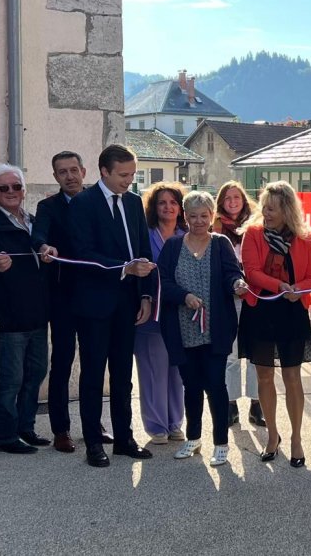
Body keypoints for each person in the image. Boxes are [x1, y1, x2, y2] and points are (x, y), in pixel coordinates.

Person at [69, 144, 157, 467]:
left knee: (123, 374)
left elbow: (144, 251)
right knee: (93, 374)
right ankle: (93, 442)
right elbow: (82, 252)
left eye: (132, 175)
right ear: (104, 171)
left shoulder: (134, 204)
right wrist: (124, 268)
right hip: (94, 304)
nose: (129, 181)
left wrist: (145, 295)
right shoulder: (82, 204)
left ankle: (124, 438)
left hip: (129, 303)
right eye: (123, 175)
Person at [157, 191, 248, 467]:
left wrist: (237, 285)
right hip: (183, 329)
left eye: (204, 216)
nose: (198, 221)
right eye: (193, 216)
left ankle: (221, 442)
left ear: (212, 216)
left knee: (216, 385)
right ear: (185, 216)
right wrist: (183, 296)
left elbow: (233, 273)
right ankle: (193, 438)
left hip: (215, 329)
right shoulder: (173, 246)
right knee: (191, 386)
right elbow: (162, 280)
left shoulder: (220, 244)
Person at [33, 150, 115, 453]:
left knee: (94, 363)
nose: (69, 176)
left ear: (83, 170)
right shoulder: (48, 206)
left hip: (96, 295)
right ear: (55, 177)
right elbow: (38, 233)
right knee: (63, 362)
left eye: (73, 170)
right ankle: (61, 429)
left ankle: (93, 426)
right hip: (63, 297)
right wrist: (43, 245)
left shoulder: (99, 201)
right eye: (62, 172)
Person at [239, 181, 311, 468]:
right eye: (264, 207)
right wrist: (281, 285)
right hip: (260, 310)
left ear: (287, 209)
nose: (266, 212)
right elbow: (252, 272)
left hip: (291, 312)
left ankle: (296, 438)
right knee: (263, 377)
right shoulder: (253, 234)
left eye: (272, 208)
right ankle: (272, 435)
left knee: (292, 377)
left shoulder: (305, 239)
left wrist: (297, 288)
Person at [0, 164, 50, 455]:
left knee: (36, 373)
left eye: (16, 187)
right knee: (11, 378)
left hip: (38, 313)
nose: (11, 193)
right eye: (4, 188)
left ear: (23, 190)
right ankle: (5, 435)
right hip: (10, 316)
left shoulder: (32, 221)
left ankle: (25, 427)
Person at [136, 181, 187, 444]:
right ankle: (156, 426)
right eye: (162, 203)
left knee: (177, 370)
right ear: (154, 208)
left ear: (180, 207)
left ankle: (175, 422)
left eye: (173, 202)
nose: (168, 207)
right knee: (153, 369)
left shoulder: (188, 235)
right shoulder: (144, 234)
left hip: (180, 313)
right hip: (151, 313)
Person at [213, 180, 265, 428]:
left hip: (254, 295)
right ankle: (231, 405)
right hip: (227, 297)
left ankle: (257, 404)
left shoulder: (256, 225)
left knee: (255, 354)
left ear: (244, 200)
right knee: (231, 355)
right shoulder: (215, 227)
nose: (232, 202)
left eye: (236, 197)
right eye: (227, 198)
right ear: (221, 202)